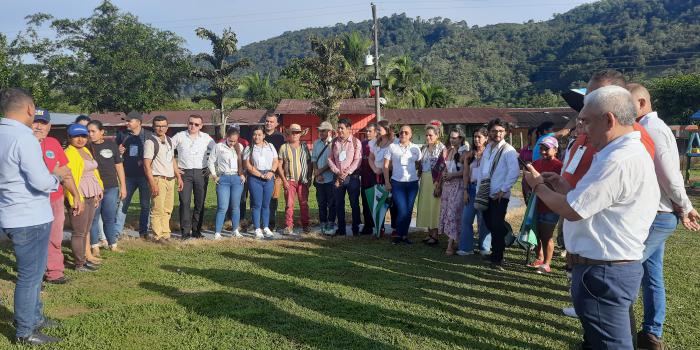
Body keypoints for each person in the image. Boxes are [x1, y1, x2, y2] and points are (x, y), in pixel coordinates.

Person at [524, 85, 660, 349]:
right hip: (605, 268)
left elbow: (572, 211)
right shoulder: (618, 153)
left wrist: (537, 185)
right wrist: (565, 187)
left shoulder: (617, 159)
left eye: (585, 121)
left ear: (608, 119)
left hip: (603, 270)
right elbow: (595, 203)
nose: (581, 129)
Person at [628, 83, 700, 349]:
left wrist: (684, 205)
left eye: (627, 104)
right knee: (651, 274)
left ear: (643, 104)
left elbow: (670, 176)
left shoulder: (651, 130)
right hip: (656, 213)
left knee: (624, 271)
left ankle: (627, 334)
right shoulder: (649, 128)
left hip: (657, 214)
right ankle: (650, 334)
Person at [0, 88, 69, 345]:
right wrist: (58, 176)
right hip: (30, 216)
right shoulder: (24, 137)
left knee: (32, 273)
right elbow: (41, 181)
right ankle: (25, 331)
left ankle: (34, 317)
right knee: (30, 277)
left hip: (8, 212)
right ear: (29, 109)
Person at [32, 109, 83, 285]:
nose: (39, 126)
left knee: (55, 236)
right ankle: (34, 276)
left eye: (43, 123)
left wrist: (75, 195)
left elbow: (66, 173)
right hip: (32, 200)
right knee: (33, 239)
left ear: (49, 126)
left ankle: (54, 272)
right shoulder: (22, 144)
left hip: (55, 198)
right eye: (35, 122)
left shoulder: (53, 143)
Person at [480, 118, 519, 270]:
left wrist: (503, 190)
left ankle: (497, 259)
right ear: (489, 132)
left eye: (501, 131)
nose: (497, 134)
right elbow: (484, 170)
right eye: (494, 131)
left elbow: (514, 172)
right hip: (486, 192)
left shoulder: (508, 150)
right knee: (489, 223)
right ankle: (506, 236)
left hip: (499, 195)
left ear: (505, 132)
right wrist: (479, 190)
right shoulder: (488, 148)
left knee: (496, 226)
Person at [64, 123, 104, 271]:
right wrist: (75, 199)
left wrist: (99, 188)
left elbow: (94, 171)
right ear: (69, 138)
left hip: (91, 194)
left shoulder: (86, 150)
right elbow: (68, 179)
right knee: (79, 232)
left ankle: (84, 259)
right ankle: (79, 264)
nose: (80, 139)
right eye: (76, 136)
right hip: (78, 196)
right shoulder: (69, 153)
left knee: (85, 230)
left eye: (83, 136)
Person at [172, 114, 215, 239]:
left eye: (196, 124)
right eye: (191, 123)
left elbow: (217, 150)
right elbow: (168, 150)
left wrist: (210, 168)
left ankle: (196, 230)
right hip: (184, 173)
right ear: (187, 123)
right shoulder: (179, 136)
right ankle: (185, 232)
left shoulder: (206, 137)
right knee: (185, 202)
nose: (193, 126)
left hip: (201, 173)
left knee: (199, 203)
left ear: (201, 126)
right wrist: (175, 169)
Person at [524, 136, 562, 274]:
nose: (543, 152)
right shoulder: (536, 163)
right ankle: (539, 258)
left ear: (555, 149)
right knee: (538, 233)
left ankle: (547, 263)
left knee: (547, 235)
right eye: (541, 149)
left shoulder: (559, 166)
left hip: (551, 206)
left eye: (546, 149)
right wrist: (528, 191)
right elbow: (526, 178)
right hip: (536, 205)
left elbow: (558, 186)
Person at [87, 120, 127, 254]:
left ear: (102, 132)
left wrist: (123, 187)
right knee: (94, 218)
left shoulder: (111, 144)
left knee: (109, 217)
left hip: (111, 187)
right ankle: (94, 246)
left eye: (93, 131)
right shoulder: (86, 147)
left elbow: (119, 166)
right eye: (88, 131)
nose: (90, 134)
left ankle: (113, 244)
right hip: (94, 188)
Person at [115, 111, 154, 238]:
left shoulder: (149, 135)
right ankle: (117, 232)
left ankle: (143, 232)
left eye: (129, 121)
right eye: (126, 121)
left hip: (145, 176)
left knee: (145, 205)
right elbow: (115, 154)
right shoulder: (122, 135)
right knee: (123, 204)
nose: (127, 123)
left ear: (138, 122)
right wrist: (119, 151)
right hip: (128, 176)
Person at [144, 116, 181, 243]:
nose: (161, 128)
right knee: (157, 209)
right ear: (154, 127)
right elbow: (146, 165)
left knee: (167, 209)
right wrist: (152, 183)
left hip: (170, 179)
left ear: (167, 127)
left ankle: (166, 234)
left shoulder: (170, 140)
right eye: (158, 126)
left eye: (163, 125)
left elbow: (172, 160)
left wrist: (178, 176)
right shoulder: (150, 142)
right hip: (158, 179)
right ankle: (157, 235)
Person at [384, 124, 422, 245]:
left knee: (409, 210)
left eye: (406, 132)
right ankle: (399, 234)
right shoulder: (392, 147)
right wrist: (387, 182)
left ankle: (404, 235)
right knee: (402, 209)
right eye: (401, 132)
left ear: (410, 135)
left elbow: (420, 163)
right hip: (397, 183)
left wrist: (418, 175)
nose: (403, 134)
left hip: (412, 184)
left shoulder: (416, 148)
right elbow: (385, 166)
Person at [458, 128, 491, 256]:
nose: (477, 139)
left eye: (480, 137)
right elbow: (466, 174)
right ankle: (466, 248)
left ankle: (485, 247)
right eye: (475, 136)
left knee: (483, 220)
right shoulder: (469, 155)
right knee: (466, 219)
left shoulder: (490, 153)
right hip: (471, 189)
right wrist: (465, 190)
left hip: (484, 189)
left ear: (486, 138)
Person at [208, 127, 245, 239]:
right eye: (230, 141)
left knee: (235, 206)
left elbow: (243, 163)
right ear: (226, 137)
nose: (232, 143)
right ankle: (218, 232)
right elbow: (211, 161)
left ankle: (235, 230)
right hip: (223, 179)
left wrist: (242, 174)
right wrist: (214, 175)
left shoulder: (240, 147)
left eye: (235, 141)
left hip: (236, 179)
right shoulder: (219, 146)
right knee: (222, 206)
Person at [328, 118, 362, 236]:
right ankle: (341, 229)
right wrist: (338, 172)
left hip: (352, 178)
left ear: (348, 129)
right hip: (337, 177)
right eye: (338, 128)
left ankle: (355, 228)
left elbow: (358, 160)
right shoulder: (334, 142)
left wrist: (346, 172)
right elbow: (330, 159)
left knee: (354, 203)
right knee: (339, 203)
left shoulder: (356, 142)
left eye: (342, 128)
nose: (339, 130)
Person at [244, 126, 279, 239]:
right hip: (255, 177)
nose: (257, 137)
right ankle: (257, 228)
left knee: (266, 204)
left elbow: (275, 161)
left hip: (269, 177)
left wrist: (271, 172)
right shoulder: (249, 148)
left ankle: (266, 227)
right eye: (255, 134)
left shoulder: (271, 146)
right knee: (256, 204)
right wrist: (259, 174)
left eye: (259, 134)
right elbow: (247, 165)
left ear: (264, 135)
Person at [278, 124, 313, 235]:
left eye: (297, 132)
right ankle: (289, 226)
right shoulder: (284, 147)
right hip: (289, 180)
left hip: (303, 180)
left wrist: (309, 177)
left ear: (300, 134)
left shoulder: (304, 147)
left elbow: (309, 163)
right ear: (289, 134)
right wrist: (284, 180)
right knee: (289, 204)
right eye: (293, 132)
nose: (295, 134)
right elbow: (279, 164)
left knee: (304, 203)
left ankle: (305, 225)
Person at [416, 121, 445, 245]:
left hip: (435, 181)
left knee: (435, 207)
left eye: (431, 135)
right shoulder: (423, 148)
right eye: (426, 135)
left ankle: (435, 235)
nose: (428, 137)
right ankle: (429, 232)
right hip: (425, 180)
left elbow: (443, 168)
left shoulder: (441, 148)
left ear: (437, 135)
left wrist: (439, 185)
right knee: (426, 205)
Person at [439, 127, 466, 255]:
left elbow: (466, 172)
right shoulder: (450, 151)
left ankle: (451, 244)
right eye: (450, 137)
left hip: (458, 185)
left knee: (453, 213)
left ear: (461, 138)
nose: (451, 140)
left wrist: (452, 175)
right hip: (447, 186)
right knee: (447, 212)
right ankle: (453, 240)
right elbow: (446, 166)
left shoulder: (464, 152)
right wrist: (445, 174)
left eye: (454, 138)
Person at [368, 120, 398, 236]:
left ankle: (395, 227)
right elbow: (371, 158)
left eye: (379, 130)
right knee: (378, 201)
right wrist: (375, 169)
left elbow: (396, 159)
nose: (377, 132)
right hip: (376, 175)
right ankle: (379, 226)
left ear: (387, 130)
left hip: (391, 175)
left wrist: (387, 168)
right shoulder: (375, 142)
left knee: (392, 202)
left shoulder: (395, 142)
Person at [311, 121, 336, 235]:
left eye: (323, 130)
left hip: (330, 177)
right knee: (321, 202)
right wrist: (317, 173)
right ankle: (323, 222)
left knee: (331, 202)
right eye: (319, 130)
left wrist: (320, 171)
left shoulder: (334, 143)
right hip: (319, 178)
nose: (320, 132)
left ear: (329, 132)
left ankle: (331, 222)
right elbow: (314, 159)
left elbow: (333, 161)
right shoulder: (316, 143)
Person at [262, 112, 285, 230]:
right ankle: (259, 223)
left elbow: (282, 157)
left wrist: (279, 174)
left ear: (276, 124)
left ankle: (271, 223)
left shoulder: (280, 137)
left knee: (273, 199)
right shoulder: (259, 134)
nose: (268, 123)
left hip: (275, 174)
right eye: (267, 121)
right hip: (259, 173)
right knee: (259, 199)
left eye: (271, 122)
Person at [360, 123, 378, 235]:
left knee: (376, 204)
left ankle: (379, 226)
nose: (367, 133)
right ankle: (368, 226)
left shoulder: (379, 144)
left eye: (370, 131)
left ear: (376, 132)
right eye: (366, 131)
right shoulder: (362, 144)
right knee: (366, 204)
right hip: (365, 179)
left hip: (376, 179)